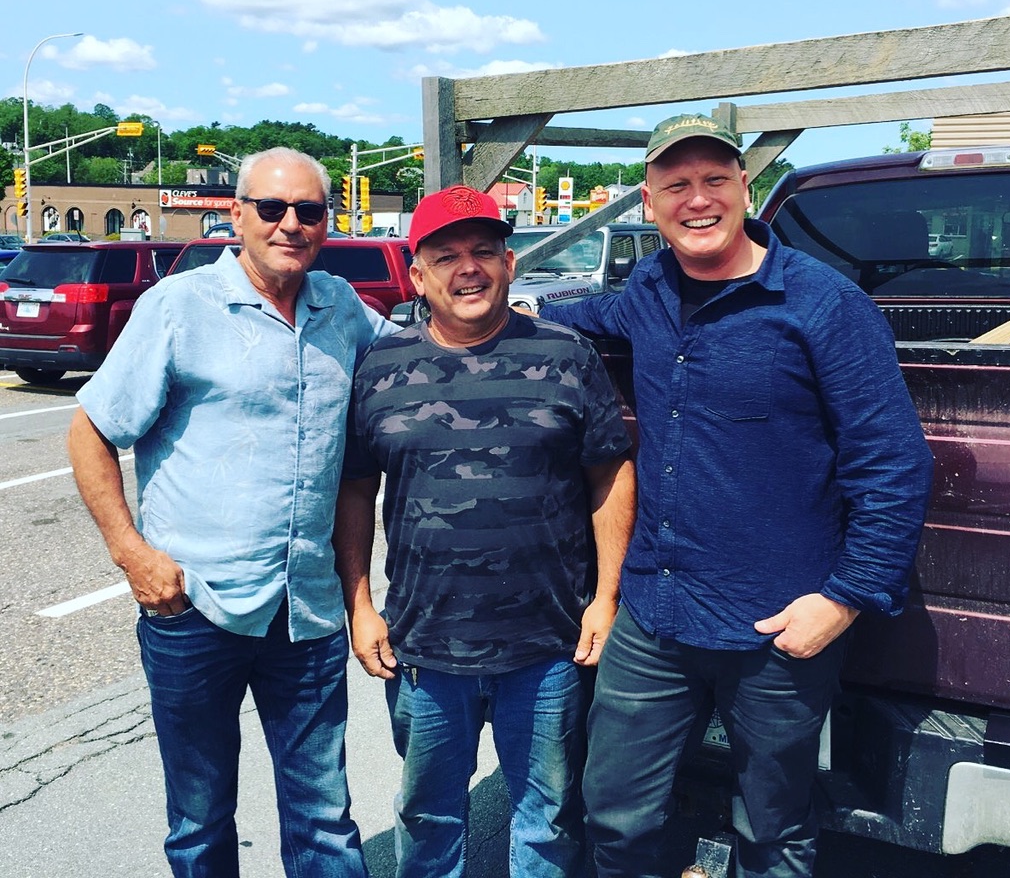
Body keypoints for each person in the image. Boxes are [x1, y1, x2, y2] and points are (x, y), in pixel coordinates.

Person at [541, 114, 934, 878]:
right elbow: (590, 314)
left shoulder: (823, 304)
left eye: (715, 180)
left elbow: (893, 464)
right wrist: (513, 317)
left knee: (776, 831)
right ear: (648, 203)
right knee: (614, 814)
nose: (698, 199)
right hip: (655, 616)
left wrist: (845, 597)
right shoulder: (649, 287)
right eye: (676, 185)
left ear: (744, 189)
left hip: (779, 630)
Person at [67, 147, 395, 878]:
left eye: (308, 211)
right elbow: (90, 429)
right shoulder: (178, 308)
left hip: (304, 612)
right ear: (238, 216)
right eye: (272, 208)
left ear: (326, 221)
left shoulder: (342, 309)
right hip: (194, 606)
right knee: (200, 819)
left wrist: (515, 324)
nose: (290, 225)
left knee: (323, 817)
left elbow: (417, 367)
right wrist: (132, 554)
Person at [336, 185, 636, 878]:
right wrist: (358, 607)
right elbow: (355, 489)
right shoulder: (380, 369)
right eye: (446, 256)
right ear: (417, 274)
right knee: (429, 819)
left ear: (508, 263)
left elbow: (609, 476)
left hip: (548, 646)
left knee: (547, 820)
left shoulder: (565, 354)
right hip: (425, 646)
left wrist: (607, 599)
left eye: (483, 252)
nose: (467, 269)